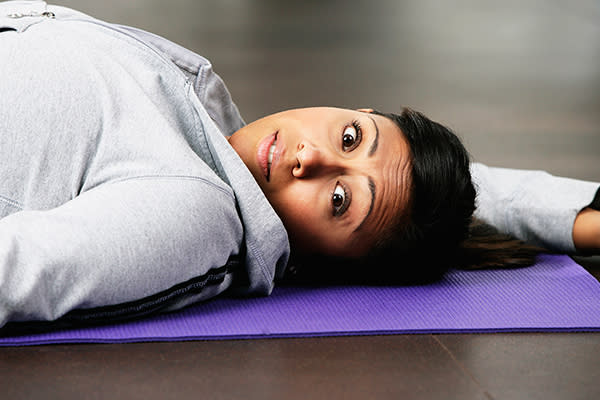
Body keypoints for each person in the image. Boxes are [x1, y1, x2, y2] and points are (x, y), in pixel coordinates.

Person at [0, 1, 598, 330]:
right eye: (349, 133)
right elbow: (407, 188)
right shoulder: (207, 119)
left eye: (338, 201)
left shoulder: (193, 212)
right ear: (356, 108)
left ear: (320, 264)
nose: (311, 157)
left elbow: (19, 271)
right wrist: (582, 213)